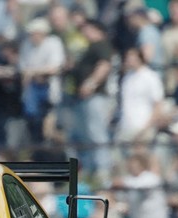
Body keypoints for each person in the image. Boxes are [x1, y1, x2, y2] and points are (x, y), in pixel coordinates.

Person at [66, 19, 113, 182]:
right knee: (86, 135)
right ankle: (91, 168)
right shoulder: (89, 47)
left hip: (95, 96)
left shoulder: (101, 44)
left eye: (87, 29)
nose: (84, 32)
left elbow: (104, 65)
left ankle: (103, 168)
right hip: (83, 98)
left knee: (96, 133)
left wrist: (91, 84)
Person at [18, 17, 66, 144]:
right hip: (32, 87)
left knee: (52, 120)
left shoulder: (53, 43)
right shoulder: (27, 45)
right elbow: (23, 68)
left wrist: (34, 72)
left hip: (49, 86)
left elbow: (54, 68)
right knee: (32, 118)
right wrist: (33, 73)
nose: (33, 37)